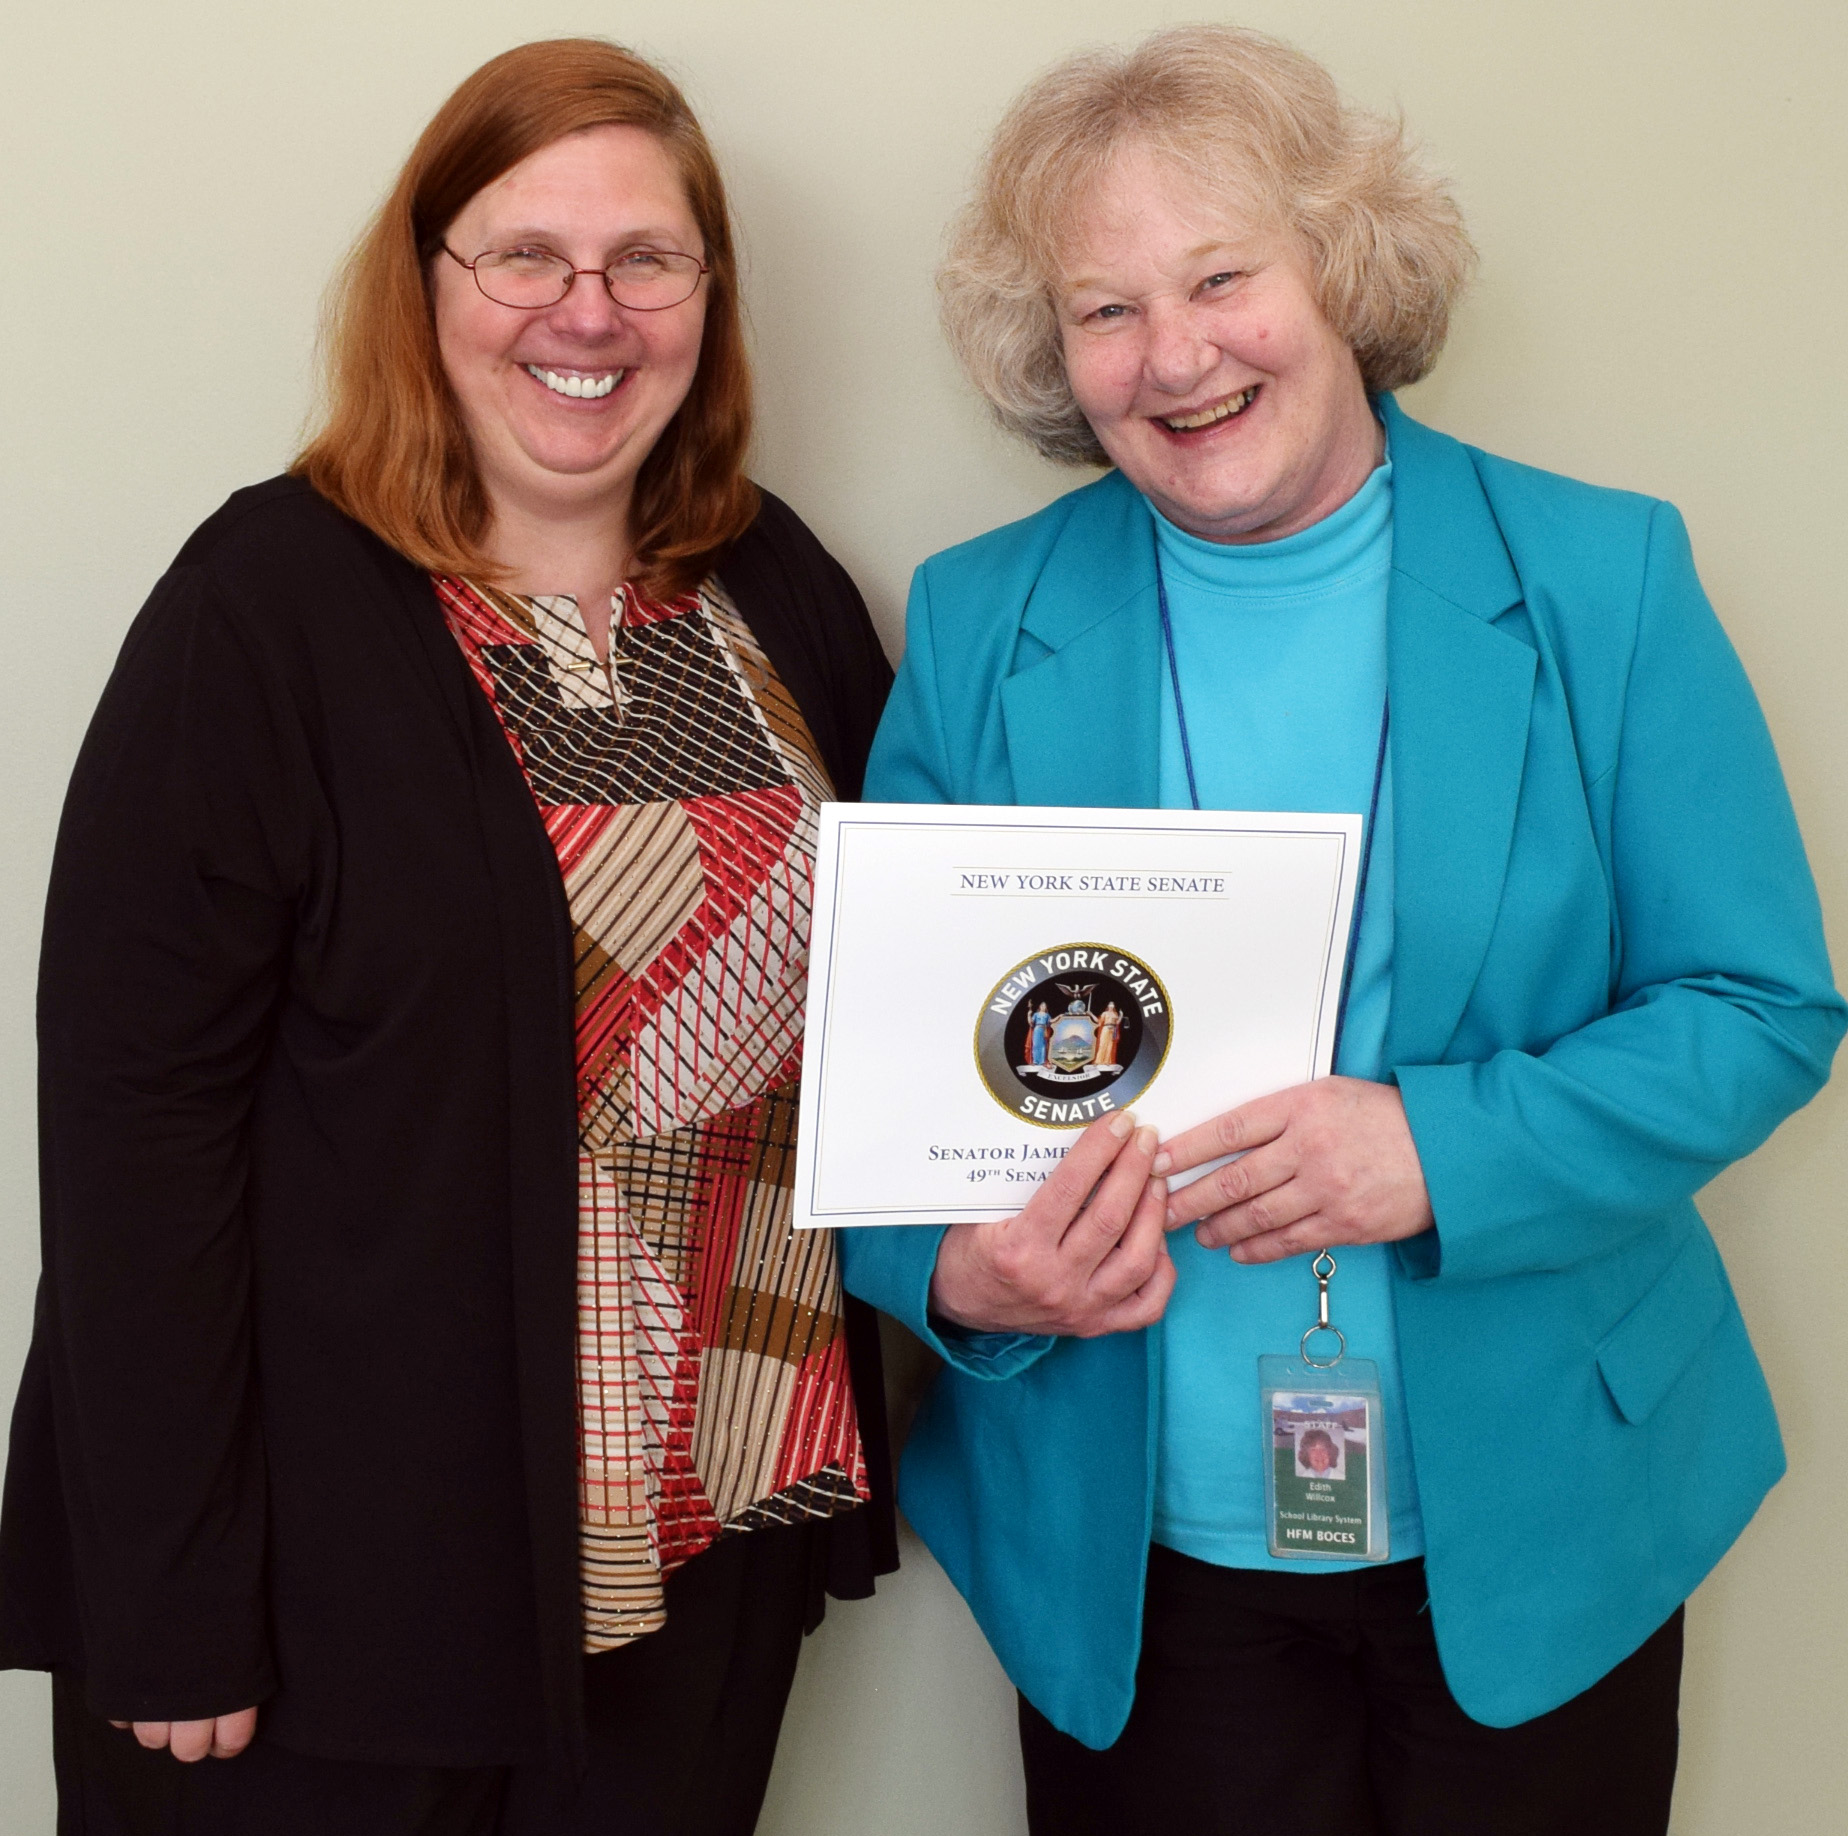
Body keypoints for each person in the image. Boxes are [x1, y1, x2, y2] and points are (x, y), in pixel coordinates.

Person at [840, 24, 1842, 1836]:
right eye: (1106, 310)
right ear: (1054, 353)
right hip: (1135, 1558)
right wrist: (962, 1277)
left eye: (1223, 276)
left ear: (1341, 269)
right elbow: (890, 1084)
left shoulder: (1601, 578)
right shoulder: (983, 622)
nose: (1177, 356)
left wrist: (1433, 1147)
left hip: (1544, 1528)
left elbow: (1760, 1003)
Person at [0, 38, 896, 1836]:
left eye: (650, 259)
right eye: (525, 255)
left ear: (708, 300)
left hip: (708, 1513)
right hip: (343, 1586)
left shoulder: (775, 587)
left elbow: (907, 1003)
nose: (593, 309)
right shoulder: (268, 606)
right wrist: (167, 1609)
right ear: (427, 286)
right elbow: (132, 1128)